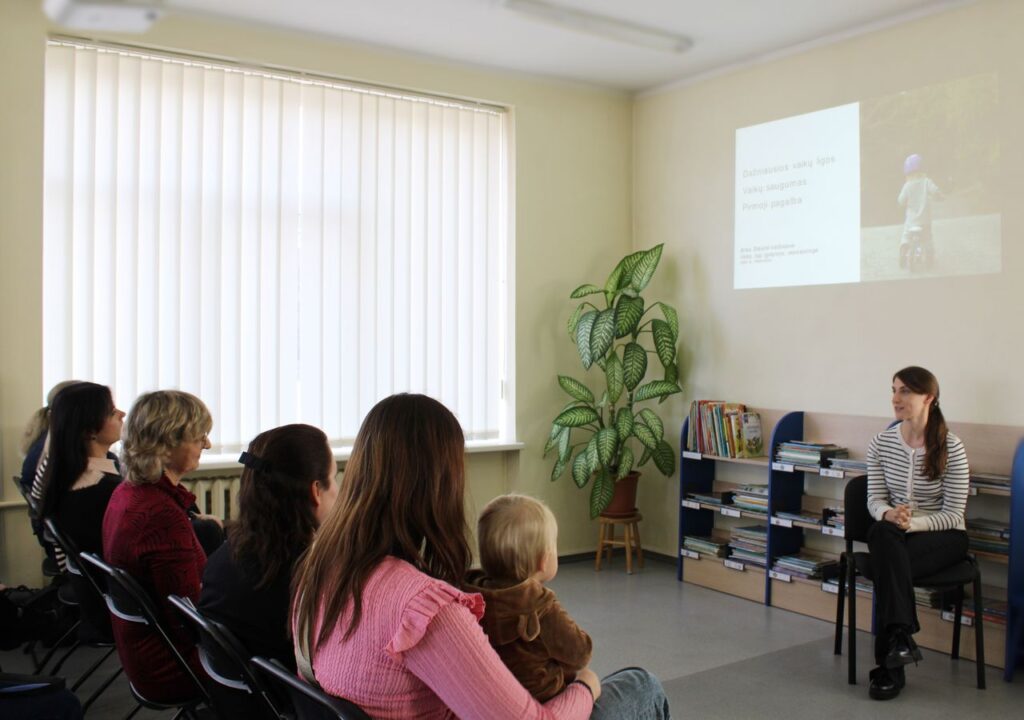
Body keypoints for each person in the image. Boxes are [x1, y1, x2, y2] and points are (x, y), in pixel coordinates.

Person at [291, 393, 669, 720]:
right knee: (641, 685)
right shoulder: (424, 610)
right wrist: (585, 686)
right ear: (440, 484)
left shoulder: (321, 569)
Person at [102, 390, 219, 704]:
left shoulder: (128, 492)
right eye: (199, 437)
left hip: (146, 655)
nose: (206, 445)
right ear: (167, 444)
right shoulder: (160, 515)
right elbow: (189, 621)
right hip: (174, 667)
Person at [200, 424, 338, 689]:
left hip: (241, 700)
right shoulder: (308, 581)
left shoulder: (227, 553)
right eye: (334, 479)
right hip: (292, 699)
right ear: (316, 491)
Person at [865, 366, 970, 700]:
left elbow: (954, 514)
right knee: (882, 535)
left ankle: (890, 665)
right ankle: (898, 642)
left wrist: (915, 523)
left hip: (944, 536)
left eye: (906, 391)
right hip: (897, 533)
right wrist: (889, 513)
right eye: (894, 390)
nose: (896, 399)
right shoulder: (881, 443)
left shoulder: (952, 447)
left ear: (930, 398)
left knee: (887, 564)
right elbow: (874, 498)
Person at [464, 494, 592, 702]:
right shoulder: (541, 605)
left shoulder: (469, 596)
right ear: (544, 561)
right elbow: (580, 653)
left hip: (493, 702)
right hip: (546, 702)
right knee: (638, 681)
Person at [38, 382, 125, 639]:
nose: (122, 414)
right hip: (116, 604)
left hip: (98, 596)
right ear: (89, 431)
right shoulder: (101, 490)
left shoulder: (69, 475)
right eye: (111, 412)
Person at [897, 153, 943, 268]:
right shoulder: (927, 181)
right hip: (925, 221)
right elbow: (935, 191)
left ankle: (904, 249)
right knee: (927, 238)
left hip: (911, 222)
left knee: (906, 235)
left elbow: (901, 200)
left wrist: (902, 203)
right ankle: (929, 255)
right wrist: (939, 196)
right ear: (922, 168)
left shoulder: (907, 185)